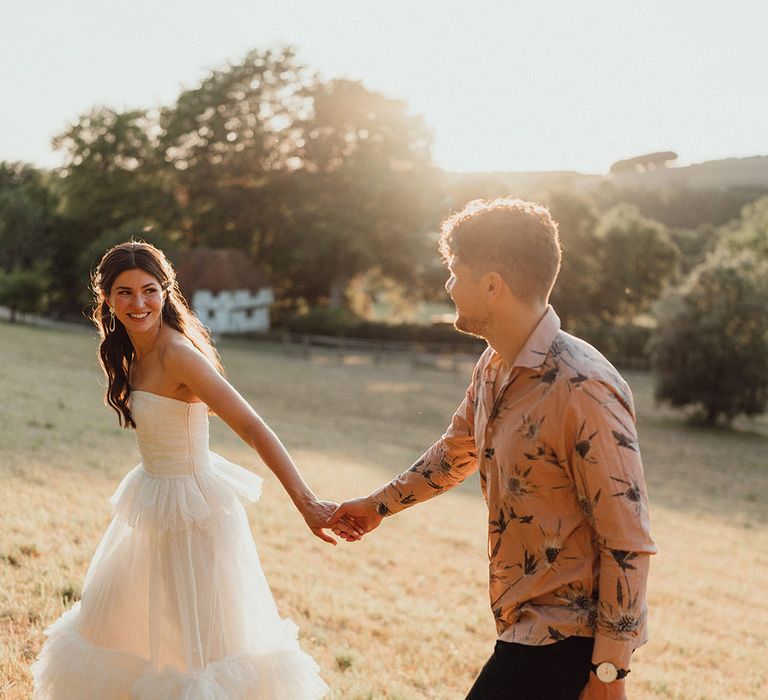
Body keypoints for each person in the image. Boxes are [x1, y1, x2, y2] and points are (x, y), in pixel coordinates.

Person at [330, 198, 657, 699]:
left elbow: (628, 539)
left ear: (491, 285)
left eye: (454, 272)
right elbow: (455, 452)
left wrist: (609, 673)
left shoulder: (584, 387)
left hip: (569, 641)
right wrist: (376, 508)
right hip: (522, 622)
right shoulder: (494, 365)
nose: (447, 286)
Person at [31, 241, 359, 699]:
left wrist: (306, 503)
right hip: (151, 498)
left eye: (149, 290)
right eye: (124, 292)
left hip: (193, 509)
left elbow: (251, 424)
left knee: (201, 645)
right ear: (106, 297)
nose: (138, 303)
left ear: (166, 291)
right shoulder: (130, 350)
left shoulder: (178, 354)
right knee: (124, 625)